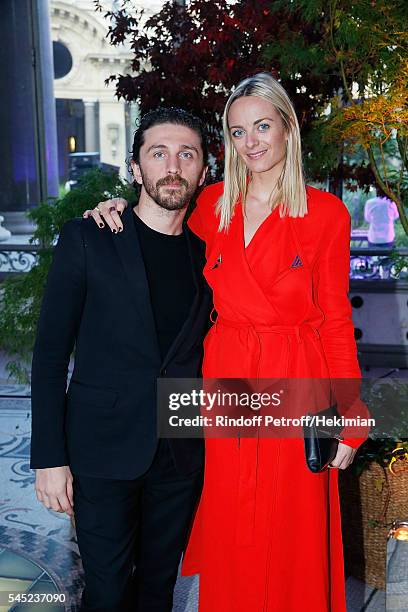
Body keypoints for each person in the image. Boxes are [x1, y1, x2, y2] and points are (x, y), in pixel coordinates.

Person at [85, 73, 368, 611]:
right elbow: (155, 222)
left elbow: (334, 320)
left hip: (296, 379)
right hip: (228, 377)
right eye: (237, 132)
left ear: (288, 128)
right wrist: (111, 207)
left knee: (291, 529)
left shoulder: (325, 213)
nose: (251, 142)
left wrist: (351, 413)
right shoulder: (211, 205)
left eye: (262, 126)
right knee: (233, 521)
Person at [30, 107, 213, 612]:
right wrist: (49, 457)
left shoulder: (208, 256)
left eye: (186, 154)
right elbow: (49, 355)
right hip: (101, 451)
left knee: (157, 591)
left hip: (178, 453)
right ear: (136, 168)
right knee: (107, 593)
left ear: (202, 170)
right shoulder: (87, 238)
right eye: (159, 153)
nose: (172, 165)